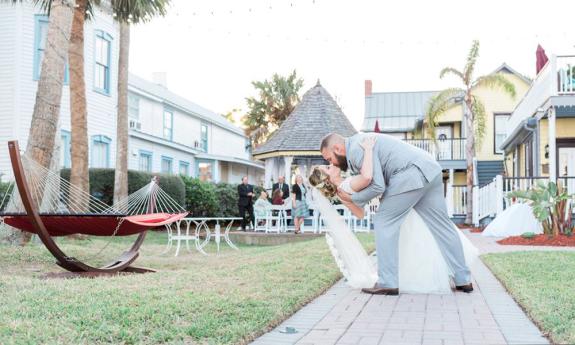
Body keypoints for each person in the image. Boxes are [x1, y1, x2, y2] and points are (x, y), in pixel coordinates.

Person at [319, 132, 474, 295]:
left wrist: (354, 198)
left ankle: (387, 282)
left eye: (329, 159)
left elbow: (377, 186)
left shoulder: (355, 150)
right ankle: (463, 279)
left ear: (338, 148)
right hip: (430, 169)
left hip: (411, 174)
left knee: (383, 221)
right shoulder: (360, 141)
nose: (332, 163)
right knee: (443, 227)